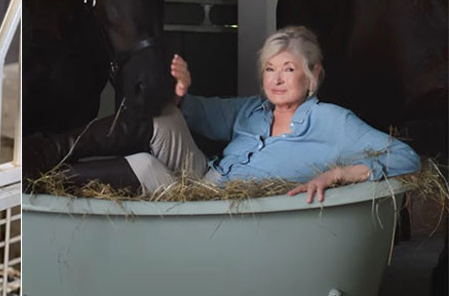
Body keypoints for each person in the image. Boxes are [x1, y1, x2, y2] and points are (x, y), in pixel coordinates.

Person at [25, 26, 421, 202]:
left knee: (145, 166)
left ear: (312, 75)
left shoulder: (333, 121)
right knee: (163, 115)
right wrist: (181, 93)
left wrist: (336, 174)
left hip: (217, 205)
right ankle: (45, 154)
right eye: (270, 69)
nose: (277, 79)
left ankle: (50, 182)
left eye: (288, 69)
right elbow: (198, 115)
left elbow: (407, 158)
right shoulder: (252, 109)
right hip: (202, 179)